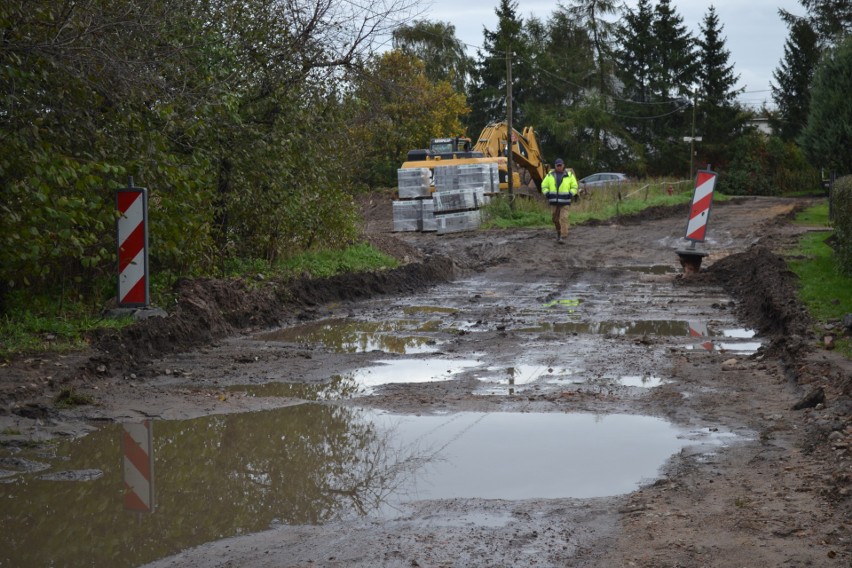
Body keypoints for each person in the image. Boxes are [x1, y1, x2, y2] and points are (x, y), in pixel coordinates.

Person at [540, 158, 578, 244]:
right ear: (555, 166)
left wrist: (571, 194)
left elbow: (575, 186)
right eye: (558, 165)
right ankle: (558, 231)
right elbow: (543, 185)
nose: (559, 167)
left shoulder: (569, 175)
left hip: (565, 202)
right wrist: (547, 193)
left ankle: (563, 236)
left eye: (561, 165)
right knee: (555, 219)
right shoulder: (549, 175)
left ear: (563, 165)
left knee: (563, 218)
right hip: (554, 202)